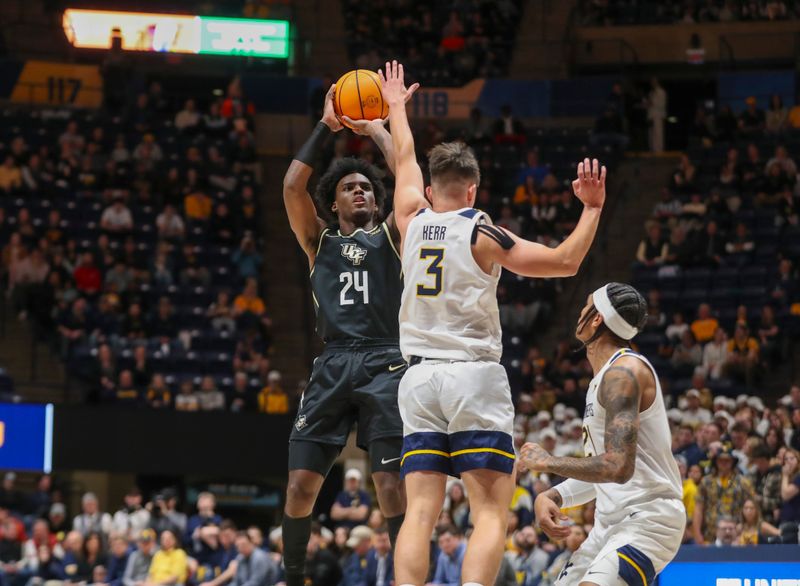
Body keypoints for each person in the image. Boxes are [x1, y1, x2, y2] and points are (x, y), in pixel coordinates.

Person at [380, 60, 605, 586]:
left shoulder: (409, 218)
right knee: (488, 512)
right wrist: (591, 210)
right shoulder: (483, 232)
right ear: (474, 191)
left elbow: (405, 158)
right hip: (471, 377)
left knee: (419, 513)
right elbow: (565, 261)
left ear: (433, 191)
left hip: (415, 379)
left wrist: (395, 107)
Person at [279, 75, 419, 586]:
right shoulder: (317, 240)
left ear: (376, 203)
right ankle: (294, 577)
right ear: (333, 203)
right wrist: (326, 124)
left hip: (388, 362)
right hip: (334, 361)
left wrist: (381, 128)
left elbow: (406, 171)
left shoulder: (394, 236)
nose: (359, 190)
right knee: (299, 488)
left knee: (390, 486)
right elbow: (292, 185)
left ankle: (409, 577)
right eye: (348, 187)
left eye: (366, 187)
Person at [521, 283, 685, 585]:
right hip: (608, 524)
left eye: (586, 307)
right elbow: (605, 471)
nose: (580, 313)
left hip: (648, 518)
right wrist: (554, 494)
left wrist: (548, 462)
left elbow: (616, 467)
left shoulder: (624, 373)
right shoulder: (605, 377)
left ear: (597, 319)